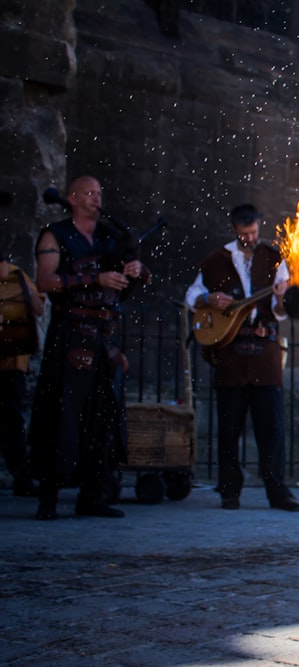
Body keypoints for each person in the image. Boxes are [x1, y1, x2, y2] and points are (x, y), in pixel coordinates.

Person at [29, 175, 150, 520]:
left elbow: (123, 289)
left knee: (102, 420)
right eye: (89, 194)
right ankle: (49, 497)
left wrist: (134, 270)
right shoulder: (57, 234)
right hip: (70, 334)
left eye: (99, 193)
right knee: (62, 415)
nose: (96, 199)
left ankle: (93, 495)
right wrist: (92, 278)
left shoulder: (109, 238)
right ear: (72, 198)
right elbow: (46, 281)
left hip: (104, 337)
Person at [185, 204, 299, 512]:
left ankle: (278, 491)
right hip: (231, 354)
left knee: (271, 427)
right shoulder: (215, 261)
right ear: (234, 229)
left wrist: (278, 297)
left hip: (265, 353)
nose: (249, 238)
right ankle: (229, 491)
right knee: (229, 427)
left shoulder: (274, 258)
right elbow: (191, 296)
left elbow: (281, 312)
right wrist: (209, 298)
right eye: (244, 233)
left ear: (259, 226)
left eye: (253, 232)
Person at [0, 257, 44, 496]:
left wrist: (23, 289)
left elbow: (38, 309)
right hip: (11, 362)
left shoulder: (17, 273)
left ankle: (22, 479)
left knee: (12, 422)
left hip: (12, 362)